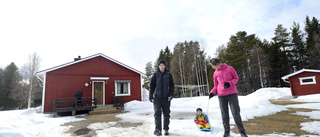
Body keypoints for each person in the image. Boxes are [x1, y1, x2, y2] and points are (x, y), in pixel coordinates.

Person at [208, 58, 248, 137]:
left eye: (214, 66)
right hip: (221, 96)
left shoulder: (230, 69)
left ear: (218, 63)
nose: (213, 67)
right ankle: (226, 132)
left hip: (232, 94)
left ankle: (242, 132)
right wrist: (212, 92)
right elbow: (216, 85)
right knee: (224, 114)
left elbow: (236, 78)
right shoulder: (215, 73)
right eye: (212, 66)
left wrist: (230, 83)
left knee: (235, 113)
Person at [149, 60, 175, 136]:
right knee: (157, 113)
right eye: (160, 65)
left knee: (166, 113)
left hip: (166, 98)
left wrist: (170, 95)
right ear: (158, 66)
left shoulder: (168, 74)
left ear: (165, 66)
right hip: (157, 97)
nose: (161, 66)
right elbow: (152, 86)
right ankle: (158, 129)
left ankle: (166, 129)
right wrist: (151, 96)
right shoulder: (155, 75)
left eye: (163, 65)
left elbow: (172, 86)